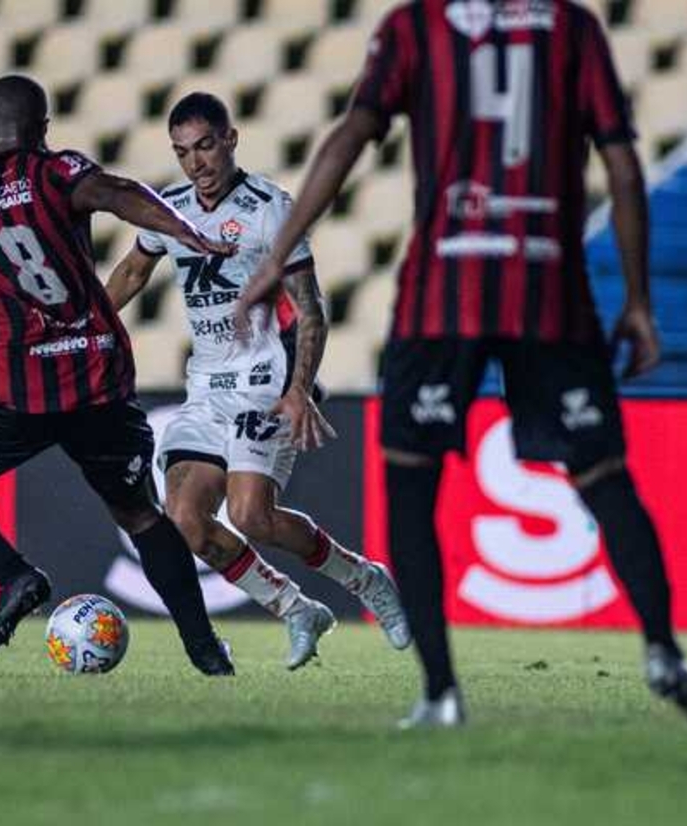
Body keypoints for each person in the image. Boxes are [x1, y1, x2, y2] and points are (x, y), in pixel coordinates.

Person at [236, 0, 687, 728]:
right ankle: (665, 653)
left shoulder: (416, 27)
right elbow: (623, 165)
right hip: (550, 291)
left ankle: (441, 693)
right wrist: (638, 300)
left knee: (411, 485)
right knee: (603, 474)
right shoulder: (572, 28)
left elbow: (351, 134)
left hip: (444, 294)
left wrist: (277, 255)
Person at [0, 75, 236, 676]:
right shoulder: (57, 171)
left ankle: (15, 576)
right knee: (140, 515)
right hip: (95, 378)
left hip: (14, 392)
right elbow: (117, 191)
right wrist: (185, 230)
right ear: (44, 129)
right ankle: (205, 649)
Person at [105, 93, 412, 670]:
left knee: (251, 516)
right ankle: (296, 609)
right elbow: (131, 272)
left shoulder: (270, 209)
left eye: (204, 146)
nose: (195, 163)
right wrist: (84, 322)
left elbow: (311, 309)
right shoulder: (169, 209)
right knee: (185, 522)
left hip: (265, 382)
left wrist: (299, 389)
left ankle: (365, 579)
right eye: (182, 152)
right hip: (206, 389)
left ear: (230, 139)